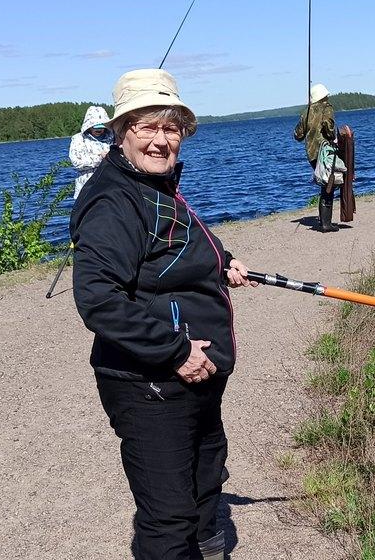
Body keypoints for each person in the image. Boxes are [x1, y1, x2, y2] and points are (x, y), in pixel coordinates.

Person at [71, 68, 256, 560]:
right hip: (149, 380)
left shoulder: (154, 186)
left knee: (205, 475)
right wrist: (175, 351)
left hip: (191, 375)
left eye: (170, 127)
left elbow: (177, 236)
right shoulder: (114, 200)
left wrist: (223, 258)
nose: (159, 140)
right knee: (167, 517)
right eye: (144, 126)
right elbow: (97, 297)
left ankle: (210, 547)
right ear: (119, 132)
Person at [293, 83, 344, 232]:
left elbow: (298, 135)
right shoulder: (327, 108)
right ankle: (326, 224)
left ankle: (324, 221)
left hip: (312, 153)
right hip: (325, 152)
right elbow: (329, 130)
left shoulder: (306, 112)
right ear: (324, 96)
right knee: (329, 183)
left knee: (325, 183)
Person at [69, 106, 114, 199]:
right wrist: (101, 158)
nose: (99, 130)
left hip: (110, 187)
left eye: (102, 126)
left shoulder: (112, 137)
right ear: (88, 126)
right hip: (87, 189)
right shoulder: (78, 139)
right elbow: (77, 162)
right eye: (96, 127)